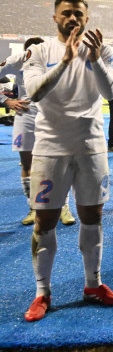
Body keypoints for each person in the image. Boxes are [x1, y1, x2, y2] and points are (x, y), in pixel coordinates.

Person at [22, 0, 113, 321]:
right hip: (50, 147)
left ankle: (93, 284)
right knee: (45, 221)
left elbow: (111, 93)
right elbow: (35, 92)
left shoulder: (102, 50)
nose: (72, 18)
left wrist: (92, 58)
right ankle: (42, 293)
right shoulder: (39, 51)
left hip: (91, 146)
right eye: (66, 13)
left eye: (78, 13)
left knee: (92, 215)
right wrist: (65, 60)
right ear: (55, 18)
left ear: (87, 18)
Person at [1, 38, 76, 226]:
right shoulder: (16, 60)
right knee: (27, 163)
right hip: (25, 114)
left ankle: (63, 207)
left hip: (53, 115)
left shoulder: (54, 58)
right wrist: (6, 101)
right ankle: (34, 208)